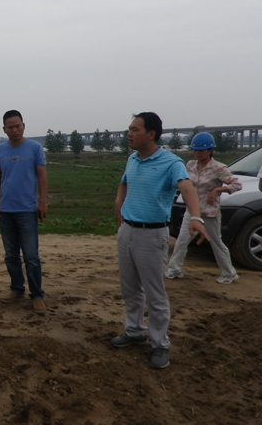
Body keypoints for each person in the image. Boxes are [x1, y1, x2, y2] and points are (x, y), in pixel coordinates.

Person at [112, 112, 208, 370]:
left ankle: (160, 344)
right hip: (127, 231)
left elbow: (187, 189)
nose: (129, 134)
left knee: (155, 294)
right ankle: (134, 331)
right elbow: (124, 183)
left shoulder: (171, 162)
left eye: (135, 129)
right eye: (129, 129)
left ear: (151, 134)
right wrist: (119, 202)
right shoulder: (132, 159)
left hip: (152, 234)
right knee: (130, 288)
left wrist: (195, 217)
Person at [0, 110, 48, 314]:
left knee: (31, 255)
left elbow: (42, 175)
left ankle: (37, 294)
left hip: (27, 210)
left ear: (23, 126)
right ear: (4, 129)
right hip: (6, 210)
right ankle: (17, 288)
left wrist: (42, 201)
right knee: (11, 255)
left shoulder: (35, 148)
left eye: (17, 126)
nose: (14, 130)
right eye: (10, 127)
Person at [166, 132, 242, 284]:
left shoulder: (218, 168)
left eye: (201, 150)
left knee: (216, 243)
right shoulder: (190, 165)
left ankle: (229, 273)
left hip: (209, 213)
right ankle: (174, 269)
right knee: (182, 241)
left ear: (210, 150)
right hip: (192, 211)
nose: (197, 153)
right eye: (195, 149)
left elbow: (237, 185)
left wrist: (217, 190)